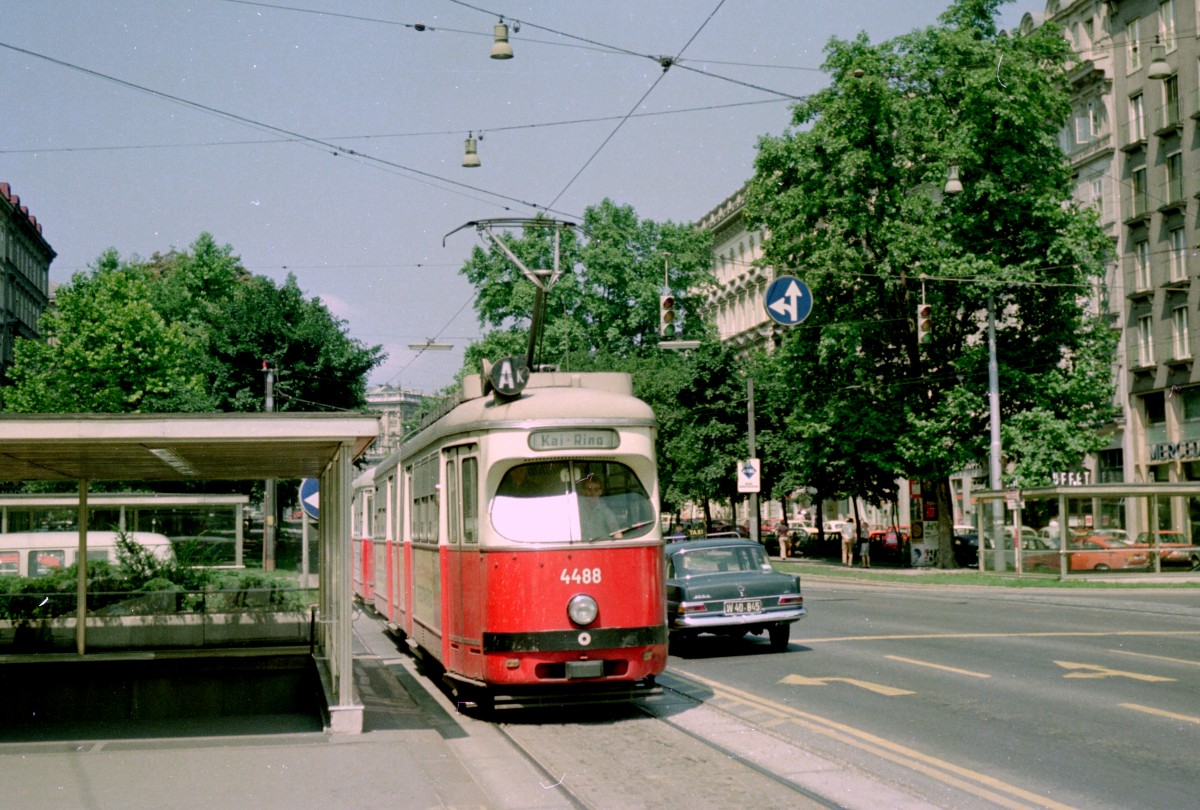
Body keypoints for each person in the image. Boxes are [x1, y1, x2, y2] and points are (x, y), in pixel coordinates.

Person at [577, 474, 622, 539]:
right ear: (583, 491)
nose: (592, 493)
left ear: (600, 492)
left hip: (602, 546)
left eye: (596, 490)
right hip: (582, 546)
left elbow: (616, 531)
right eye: (589, 489)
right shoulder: (576, 508)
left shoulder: (605, 510)